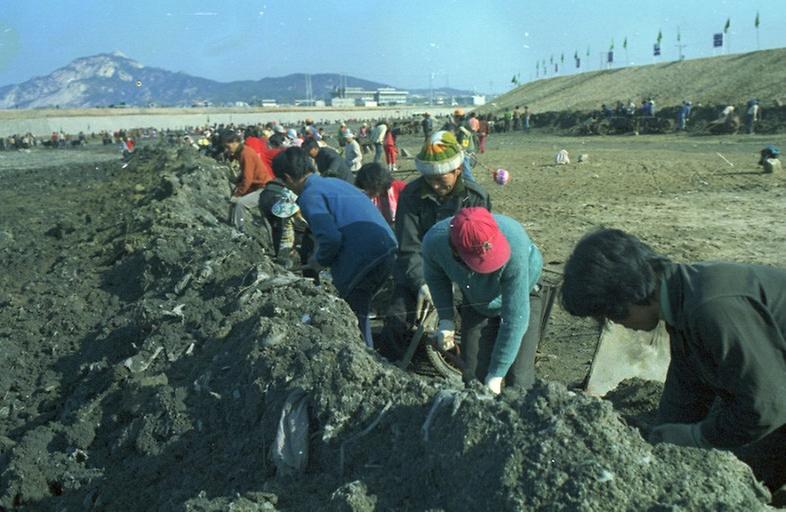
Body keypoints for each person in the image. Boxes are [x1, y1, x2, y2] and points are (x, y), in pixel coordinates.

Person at [559, 228, 786, 495]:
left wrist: (698, 437)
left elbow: (766, 405)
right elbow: (688, 390)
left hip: (776, 401)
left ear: (629, 295)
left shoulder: (710, 307)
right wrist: (661, 440)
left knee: (736, 482)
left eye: (610, 313)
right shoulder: (682, 299)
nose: (616, 323)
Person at [378, 130, 490, 361]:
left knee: (472, 330)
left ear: (458, 169)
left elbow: (481, 249)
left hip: (463, 275)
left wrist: (454, 285)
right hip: (419, 272)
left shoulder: (475, 197)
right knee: (396, 321)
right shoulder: (411, 195)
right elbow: (409, 247)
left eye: (441, 180)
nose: (435, 186)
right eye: (430, 179)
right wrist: (422, 283)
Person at [271, 147, 397, 348]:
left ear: (287, 178)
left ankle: (366, 360)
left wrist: (319, 260)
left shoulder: (308, 196)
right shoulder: (334, 182)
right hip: (387, 247)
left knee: (354, 314)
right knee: (362, 306)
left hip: (364, 258)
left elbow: (330, 239)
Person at [422, 207, 544, 394]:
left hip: (523, 289)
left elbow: (515, 319)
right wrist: (446, 320)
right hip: (477, 296)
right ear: (456, 252)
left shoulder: (514, 244)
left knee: (519, 381)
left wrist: (496, 374)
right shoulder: (434, 243)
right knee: (474, 376)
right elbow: (436, 278)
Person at [222, 129, 274, 232]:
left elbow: (248, 178)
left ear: (236, 142)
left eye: (228, 147)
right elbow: (246, 174)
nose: (228, 150)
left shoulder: (245, 154)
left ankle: (239, 231)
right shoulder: (242, 152)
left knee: (240, 203)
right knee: (267, 219)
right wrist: (238, 181)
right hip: (259, 186)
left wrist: (237, 194)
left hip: (264, 188)